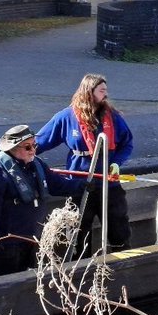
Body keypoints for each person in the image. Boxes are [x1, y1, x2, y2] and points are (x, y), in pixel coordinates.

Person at [35, 73, 134, 255]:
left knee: (118, 226)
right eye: (101, 90)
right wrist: (18, 153)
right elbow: (40, 142)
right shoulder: (66, 117)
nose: (106, 94)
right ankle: (80, 264)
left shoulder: (113, 117)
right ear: (89, 91)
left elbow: (127, 143)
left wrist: (117, 163)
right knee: (79, 229)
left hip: (108, 183)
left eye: (106, 90)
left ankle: (122, 259)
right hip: (79, 183)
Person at [0, 125, 84, 276]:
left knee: (33, 282)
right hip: (8, 244)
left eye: (34, 145)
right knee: (8, 283)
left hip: (35, 239)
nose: (33, 150)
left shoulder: (37, 164)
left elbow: (58, 185)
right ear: (12, 148)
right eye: (27, 147)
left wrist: (86, 185)